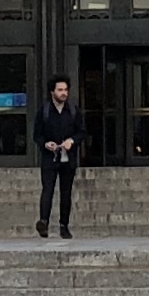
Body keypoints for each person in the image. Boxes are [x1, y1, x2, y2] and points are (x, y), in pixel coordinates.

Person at [33, 77, 82, 238]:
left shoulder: (73, 110)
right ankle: (44, 222)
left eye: (65, 90)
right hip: (50, 158)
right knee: (47, 189)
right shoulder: (44, 111)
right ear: (52, 92)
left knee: (66, 193)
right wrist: (46, 144)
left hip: (68, 158)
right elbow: (37, 135)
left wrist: (72, 141)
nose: (63, 93)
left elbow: (82, 132)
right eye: (60, 90)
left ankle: (64, 225)